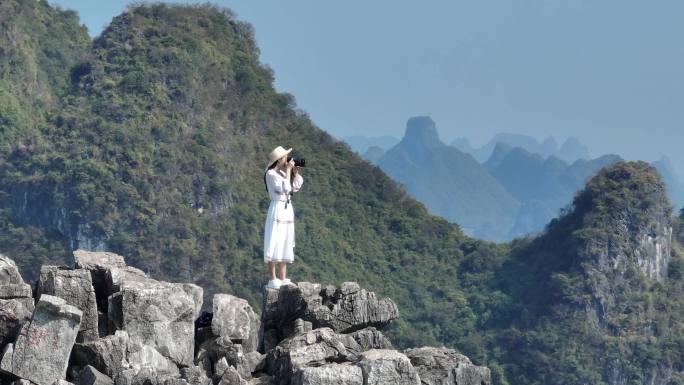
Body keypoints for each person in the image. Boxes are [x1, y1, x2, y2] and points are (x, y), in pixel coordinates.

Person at [263, 145, 303, 289]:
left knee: (285, 240)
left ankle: (283, 277)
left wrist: (294, 171)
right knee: (274, 240)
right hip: (277, 208)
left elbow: (295, 186)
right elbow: (286, 187)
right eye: (285, 157)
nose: (287, 159)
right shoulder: (271, 174)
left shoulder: (280, 173)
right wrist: (287, 170)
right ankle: (273, 278)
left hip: (286, 209)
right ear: (279, 159)